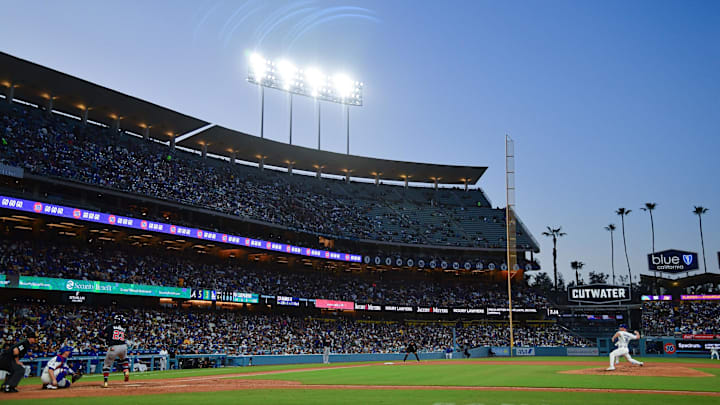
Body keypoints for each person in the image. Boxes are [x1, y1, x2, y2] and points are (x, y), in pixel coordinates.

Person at [0, 328, 37, 393]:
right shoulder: (25, 343)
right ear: (30, 338)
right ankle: (9, 386)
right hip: (6, 359)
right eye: (34, 338)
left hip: (4, 359)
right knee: (20, 369)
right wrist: (17, 361)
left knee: (13, 370)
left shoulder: (26, 343)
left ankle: (5, 386)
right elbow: (15, 350)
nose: (35, 340)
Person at [101, 314, 130, 388]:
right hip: (123, 346)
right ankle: (126, 370)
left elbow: (102, 334)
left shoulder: (110, 327)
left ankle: (106, 382)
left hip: (114, 347)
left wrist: (107, 339)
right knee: (124, 359)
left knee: (107, 365)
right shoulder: (124, 328)